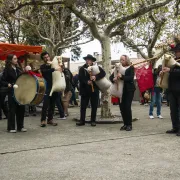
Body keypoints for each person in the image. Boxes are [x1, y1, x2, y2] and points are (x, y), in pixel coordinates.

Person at [76, 54, 106, 127]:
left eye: (89, 59)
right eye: (87, 59)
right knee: (83, 106)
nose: (88, 61)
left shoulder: (97, 67)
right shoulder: (82, 68)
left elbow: (103, 73)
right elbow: (80, 78)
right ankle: (82, 120)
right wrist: (87, 82)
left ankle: (93, 121)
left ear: (92, 60)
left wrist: (96, 77)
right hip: (85, 90)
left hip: (94, 90)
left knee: (94, 106)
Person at [1, 54, 26, 133]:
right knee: (12, 109)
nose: (16, 60)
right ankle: (11, 127)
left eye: (16, 58)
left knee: (21, 108)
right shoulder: (7, 69)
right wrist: (8, 84)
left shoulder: (18, 69)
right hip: (12, 91)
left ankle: (20, 126)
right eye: (15, 59)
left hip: (20, 91)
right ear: (10, 60)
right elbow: (2, 80)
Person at [110, 55, 135, 131]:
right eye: (120, 60)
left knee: (127, 107)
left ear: (126, 60)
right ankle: (125, 124)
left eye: (123, 60)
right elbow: (111, 77)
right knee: (122, 108)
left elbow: (130, 78)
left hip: (129, 90)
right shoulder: (117, 68)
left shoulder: (130, 67)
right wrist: (114, 78)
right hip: (120, 90)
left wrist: (121, 77)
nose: (121, 61)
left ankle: (129, 124)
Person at [163, 43, 180, 136]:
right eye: (176, 51)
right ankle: (175, 127)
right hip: (172, 89)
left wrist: (171, 70)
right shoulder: (172, 60)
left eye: (178, 51)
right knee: (173, 110)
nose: (177, 53)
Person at [40, 51, 60, 127]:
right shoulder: (43, 66)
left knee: (52, 104)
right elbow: (45, 72)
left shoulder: (54, 64)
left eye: (47, 57)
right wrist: (54, 68)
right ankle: (43, 120)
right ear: (43, 59)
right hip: (47, 87)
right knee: (45, 104)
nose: (46, 58)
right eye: (45, 57)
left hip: (55, 86)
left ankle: (50, 119)